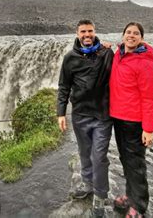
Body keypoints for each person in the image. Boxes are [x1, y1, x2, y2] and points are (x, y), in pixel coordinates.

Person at [57, 19, 114, 216]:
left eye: (90, 31)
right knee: (84, 152)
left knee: (99, 156)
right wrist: (61, 112)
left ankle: (100, 195)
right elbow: (64, 86)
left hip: (102, 116)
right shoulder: (69, 58)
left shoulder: (106, 53)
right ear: (77, 33)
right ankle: (88, 183)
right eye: (83, 31)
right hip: (80, 115)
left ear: (95, 31)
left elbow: (129, 56)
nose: (87, 35)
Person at [109, 22, 153, 218]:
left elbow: (150, 97)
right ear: (122, 36)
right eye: (128, 32)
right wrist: (104, 46)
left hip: (134, 121)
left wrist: (149, 128)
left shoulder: (145, 64)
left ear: (141, 39)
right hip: (118, 118)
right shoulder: (118, 55)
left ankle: (139, 207)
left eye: (136, 33)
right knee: (125, 160)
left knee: (136, 164)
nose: (131, 36)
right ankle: (130, 197)